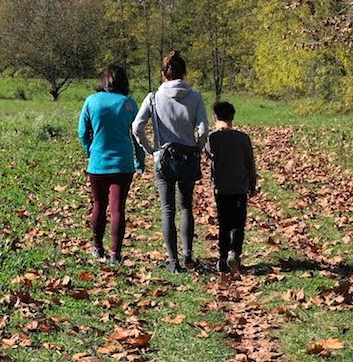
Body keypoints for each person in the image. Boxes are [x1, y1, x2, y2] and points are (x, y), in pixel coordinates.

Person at [132, 51, 209, 273]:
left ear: (164, 73)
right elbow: (203, 129)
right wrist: (198, 146)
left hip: (164, 159)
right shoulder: (195, 97)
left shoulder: (153, 97)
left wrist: (150, 149)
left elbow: (137, 127)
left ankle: (173, 261)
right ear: (184, 72)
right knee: (186, 207)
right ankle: (188, 255)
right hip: (187, 158)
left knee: (167, 210)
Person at [78, 64, 147, 266]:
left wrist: (89, 150)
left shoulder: (91, 101)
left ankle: (97, 246)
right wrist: (140, 161)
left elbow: (82, 132)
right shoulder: (129, 103)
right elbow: (137, 136)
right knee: (118, 209)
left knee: (99, 204)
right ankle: (115, 254)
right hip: (123, 164)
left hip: (98, 163)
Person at [205, 100, 257, 274]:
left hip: (221, 187)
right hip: (240, 187)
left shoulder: (212, 138)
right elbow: (249, 162)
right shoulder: (243, 138)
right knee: (238, 223)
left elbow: (208, 153)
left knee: (224, 223)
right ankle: (235, 253)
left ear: (214, 117)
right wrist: (252, 183)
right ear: (232, 116)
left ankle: (222, 258)